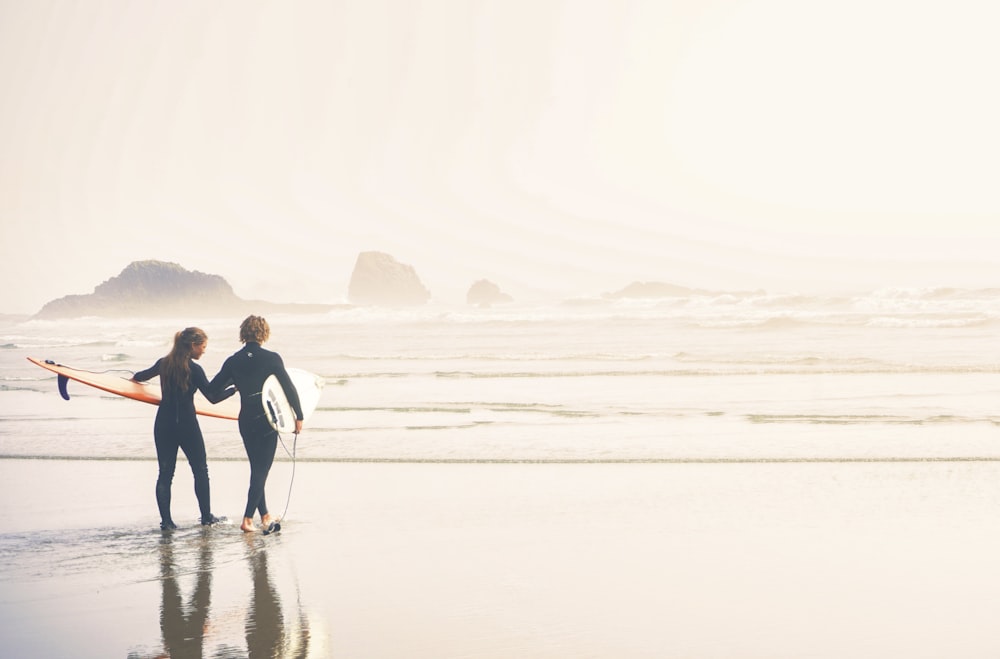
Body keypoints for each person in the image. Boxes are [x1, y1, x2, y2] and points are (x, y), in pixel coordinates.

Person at [132, 327, 235, 530]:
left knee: (165, 474)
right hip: (187, 425)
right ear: (193, 345)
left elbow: (139, 376)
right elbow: (213, 397)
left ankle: (167, 522)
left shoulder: (164, 363)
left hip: (163, 424)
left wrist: (133, 380)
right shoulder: (194, 369)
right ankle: (206, 517)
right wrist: (233, 388)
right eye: (203, 347)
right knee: (200, 470)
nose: (204, 351)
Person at [210, 315, 304, 533]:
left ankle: (264, 515)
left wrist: (233, 388)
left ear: (243, 333)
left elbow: (213, 392)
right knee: (261, 470)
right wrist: (298, 416)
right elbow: (289, 388)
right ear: (264, 333)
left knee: (256, 470)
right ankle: (247, 519)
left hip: (245, 419)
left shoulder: (233, 360)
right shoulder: (272, 358)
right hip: (266, 419)